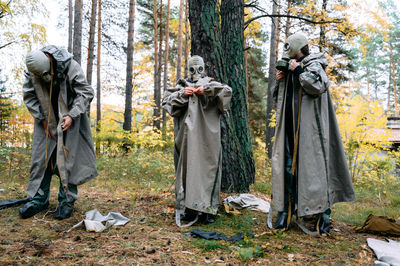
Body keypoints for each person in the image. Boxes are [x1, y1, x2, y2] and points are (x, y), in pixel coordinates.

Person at [271, 32, 355, 234]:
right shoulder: (290, 66)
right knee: (289, 169)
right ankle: (286, 211)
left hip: (311, 131)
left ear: (298, 48)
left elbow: (319, 85)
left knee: (315, 169)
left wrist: (299, 70)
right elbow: (279, 100)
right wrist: (280, 81)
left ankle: (322, 216)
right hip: (290, 129)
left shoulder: (313, 64)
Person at [20, 45, 98, 220]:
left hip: (70, 117)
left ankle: (66, 201)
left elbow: (85, 92)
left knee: (68, 158)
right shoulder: (33, 70)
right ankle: (39, 199)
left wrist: (72, 115)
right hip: (45, 119)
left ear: (50, 61)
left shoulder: (70, 66)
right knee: (42, 158)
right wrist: (42, 119)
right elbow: (30, 96)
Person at [162, 55, 232, 227]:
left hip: (208, 138)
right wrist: (182, 93)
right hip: (185, 139)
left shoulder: (212, 84)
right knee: (186, 170)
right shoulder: (180, 87)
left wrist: (206, 90)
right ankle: (189, 208)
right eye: (192, 68)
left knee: (208, 171)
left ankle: (209, 209)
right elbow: (167, 102)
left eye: (199, 68)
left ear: (203, 68)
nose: (196, 72)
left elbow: (227, 93)